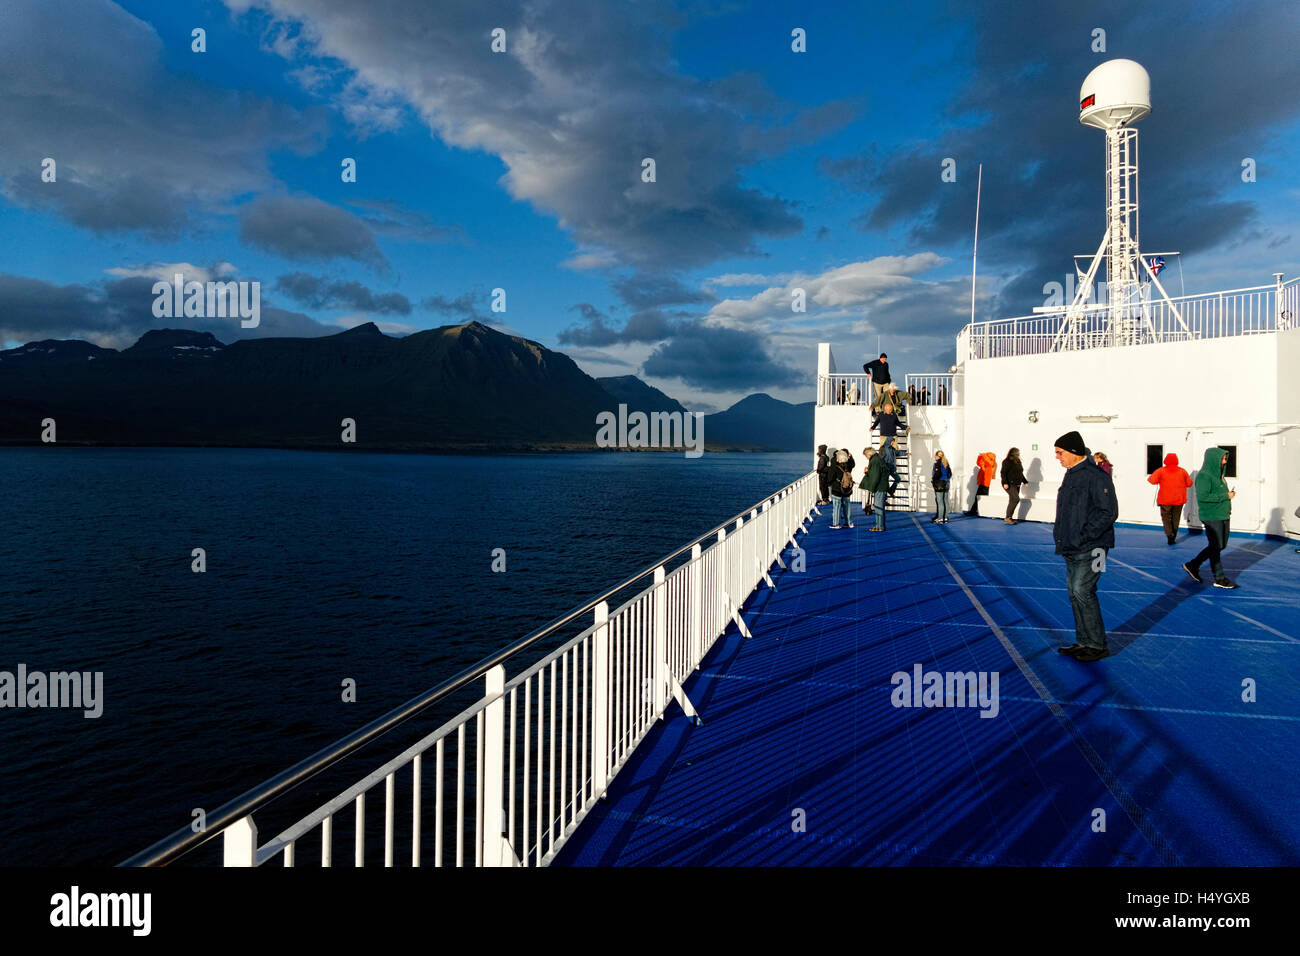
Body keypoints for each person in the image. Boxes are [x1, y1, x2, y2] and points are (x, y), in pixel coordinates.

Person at [1052, 430, 1118, 662]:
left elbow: (1108, 512)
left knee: (1083, 591)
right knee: (1075, 593)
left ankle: (1097, 645)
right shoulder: (1072, 474)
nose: (1057, 457)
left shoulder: (1096, 476)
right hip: (1072, 546)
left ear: (1074, 452)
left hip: (1093, 546)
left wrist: (1084, 535)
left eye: (1060, 453)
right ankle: (1085, 642)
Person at [1182, 447, 1238, 588]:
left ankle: (1193, 564)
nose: (1225, 462)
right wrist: (1226, 496)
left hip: (1223, 515)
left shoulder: (1220, 476)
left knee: (1220, 545)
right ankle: (1219, 578)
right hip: (1212, 516)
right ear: (1214, 459)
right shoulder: (1204, 476)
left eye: (1225, 458)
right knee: (1216, 546)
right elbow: (1203, 497)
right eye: (1223, 459)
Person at [1148, 452, 1192, 545]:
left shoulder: (1161, 471)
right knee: (1176, 519)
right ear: (1176, 461)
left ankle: (1169, 535)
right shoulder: (1182, 471)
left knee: (1166, 518)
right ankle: (1173, 536)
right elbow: (1189, 483)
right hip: (1179, 499)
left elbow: (1152, 480)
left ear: (1165, 461)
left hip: (1165, 500)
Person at [860, 444, 890, 531]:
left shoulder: (875, 461)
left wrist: (871, 488)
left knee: (878, 508)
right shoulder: (877, 459)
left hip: (879, 487)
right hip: (881, 486)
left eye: (866, 456)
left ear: (868, 454)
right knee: (879, 508)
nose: (866, 457)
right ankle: (879, 526)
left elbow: (875, 477)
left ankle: (880, 527)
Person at [828, 447, 856, 529]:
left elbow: (830, 478)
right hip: (846, 489)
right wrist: (851, 457)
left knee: (837, 507)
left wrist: (829, 483)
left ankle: (836, 524)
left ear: (838, 459)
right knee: (847, 506)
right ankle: (849, 523)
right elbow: (852, 464)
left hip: (837, 489)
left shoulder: (835, 467)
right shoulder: (849, 466)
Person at [965, 451, 996, 516]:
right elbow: (978, 463)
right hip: (982, 482)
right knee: (977, 497)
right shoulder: (986, 463)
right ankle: (973, 511)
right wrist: (980, 456)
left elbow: (988, 463)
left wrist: (984, 455)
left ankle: (984, 512)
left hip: (986, 483)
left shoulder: (992, 463)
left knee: (984, 498)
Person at [1001, 447, 1026, 525]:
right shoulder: (1007, 461)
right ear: (1013, 453)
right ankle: (1008, 518)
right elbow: (1003, 472)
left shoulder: (1018, 461)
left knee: (1012, 500)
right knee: (1016, 499)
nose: (1018, 454)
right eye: (1017, 453)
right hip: (1009, 484)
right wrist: (1005, 483)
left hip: (1017, 484)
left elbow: (1020, 473)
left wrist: (1025, 481)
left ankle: (1009, 518)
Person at [931, 451, 952, 523]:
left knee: (940, 501)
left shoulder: (937, 464)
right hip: (947, 483)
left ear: (937, 456)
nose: (934, 457)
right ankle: (945, 518)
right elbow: (950, 474)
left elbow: (936, 475)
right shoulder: (946, 463)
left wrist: (934, 481)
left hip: (940, 483)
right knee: (945, 500)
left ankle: (939, 519)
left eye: (935, 455)